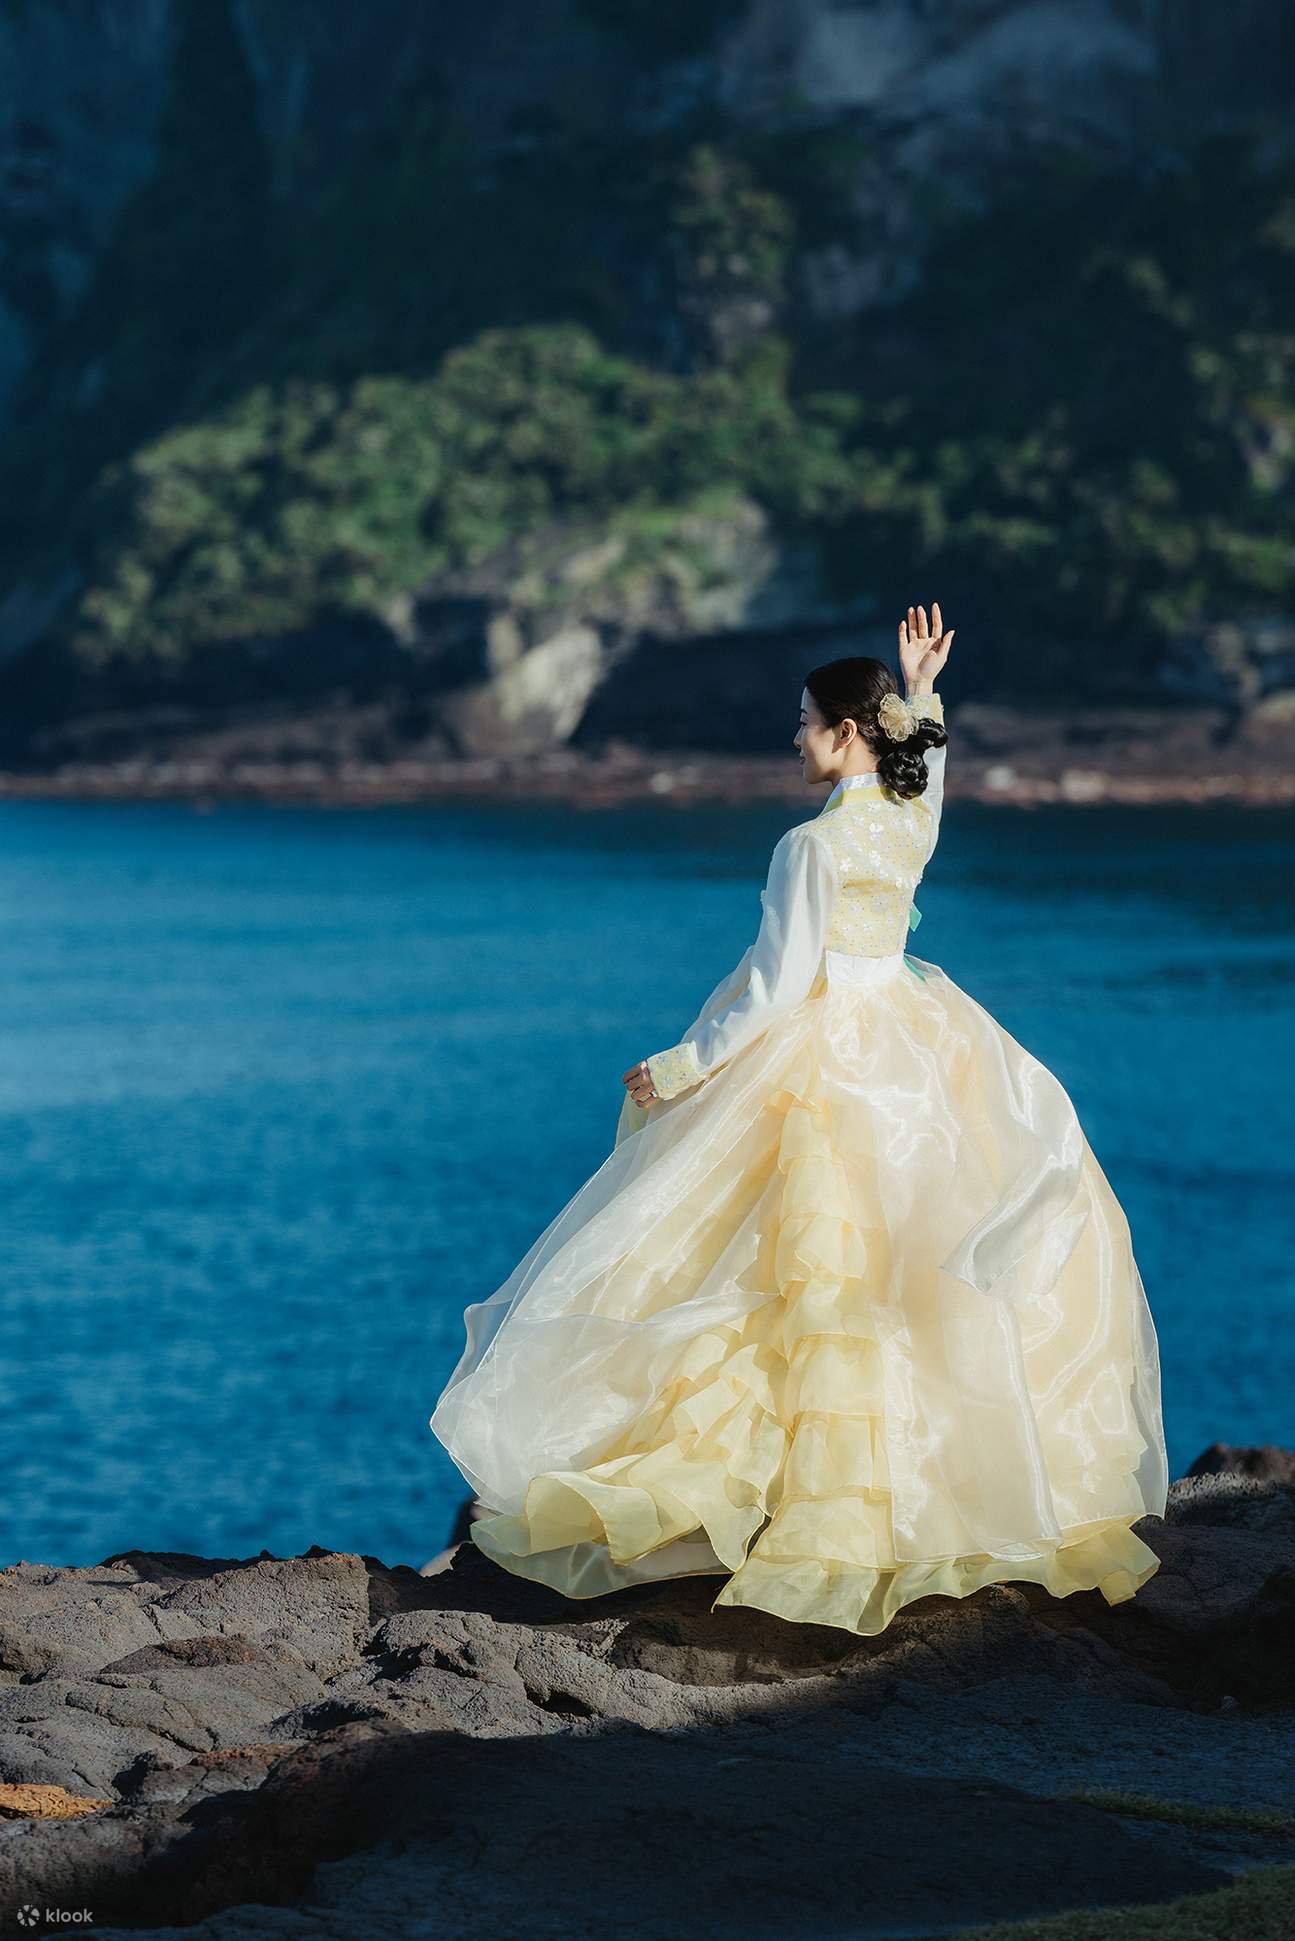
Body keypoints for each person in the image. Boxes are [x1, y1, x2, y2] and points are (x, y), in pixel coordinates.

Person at [429, 603, 1168, 1637]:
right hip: (916, 1051)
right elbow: (930, 785)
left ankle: (780, 1506)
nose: (792, 738)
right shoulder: (905, 818)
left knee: (775, 1284)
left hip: (826, 1056)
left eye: (805, 722)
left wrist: (677, 1068)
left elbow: (774, 992)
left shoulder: (808, 847)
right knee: (898, 1283)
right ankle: (923, 1496)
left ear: (842, 733)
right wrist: (920, 696)